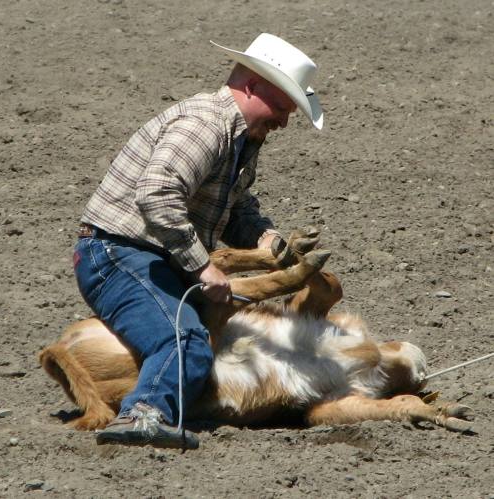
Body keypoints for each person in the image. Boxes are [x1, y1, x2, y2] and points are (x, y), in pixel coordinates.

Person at [73, 33, 323, 449]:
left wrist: (270, 242)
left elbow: (238, 209)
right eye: (281, 107)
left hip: (148, 255)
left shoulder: (239, 137)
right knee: (185, 339)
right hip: (117, 253)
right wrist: (202, 266)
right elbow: (156, 192)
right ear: (251, 86)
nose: (283, 121)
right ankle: (142, 415)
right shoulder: (205, 125)